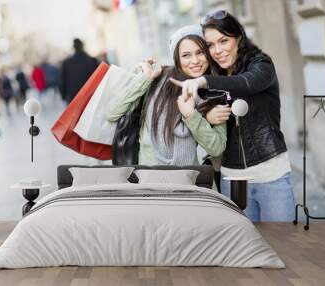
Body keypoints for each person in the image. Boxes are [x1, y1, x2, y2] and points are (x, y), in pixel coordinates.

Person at [170, 11, 295, 222]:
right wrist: (206, 115)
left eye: (223, 41)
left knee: (284, 245)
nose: (217, 50)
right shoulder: (214, 74)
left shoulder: (260, 65)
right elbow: (185, 70)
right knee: (245, 248)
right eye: (210, 45)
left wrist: (205, 81)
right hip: (232, 177)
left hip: (271, 173)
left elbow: (246, 83)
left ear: (238, 38)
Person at [107, 25, 230, 166]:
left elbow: (217, 148)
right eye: (186, 55)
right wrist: (145, 79)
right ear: (176, 58)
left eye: (200, 52)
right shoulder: (158, 79)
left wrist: (192, 115)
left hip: (187, 180)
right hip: (147, 178)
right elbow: (112, 112)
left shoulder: (214, 92)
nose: (195, 61)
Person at [59, 38, 99, 104]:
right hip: (91, 96)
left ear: (74, 48)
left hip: (74, 98)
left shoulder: (67, 63)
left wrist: (64, 96)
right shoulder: (92, 61)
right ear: (82, 46)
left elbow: (62, 82)